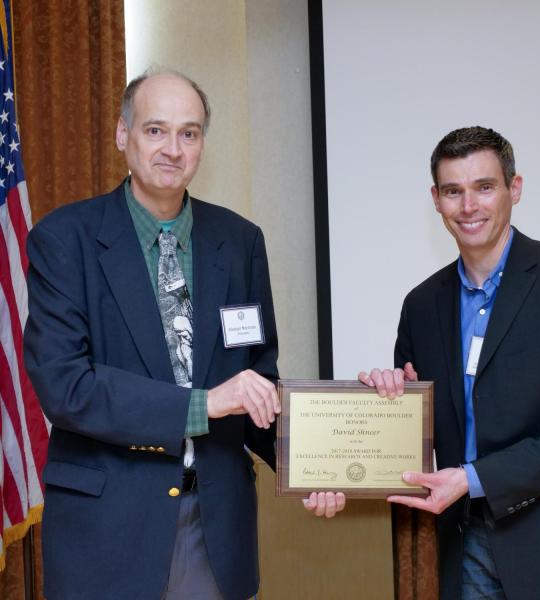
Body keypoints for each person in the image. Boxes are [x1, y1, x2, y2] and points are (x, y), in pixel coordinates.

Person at [24, 68, 343, 600]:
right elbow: (66, 386)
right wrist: (204, 403)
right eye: (156, 130)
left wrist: (309, 465)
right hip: (107, 535)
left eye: (189, 133)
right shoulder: (64, 240)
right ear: (122, 135)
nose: (173, 148)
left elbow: (256, 381)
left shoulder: (239, 241)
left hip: (216, 531)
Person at [360, 126, 540, 600]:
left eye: (484, 187)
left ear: (515, 188)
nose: (468, 206)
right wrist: (389, 398)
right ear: (436, 199)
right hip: (461, 544)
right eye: (453, 191)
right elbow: (412, 436)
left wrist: (475, 479)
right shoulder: (421, 304)